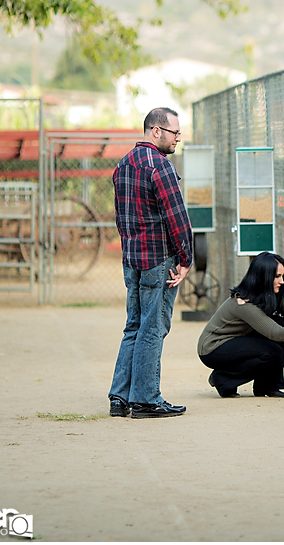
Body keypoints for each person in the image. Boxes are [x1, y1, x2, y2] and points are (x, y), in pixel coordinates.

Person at [108, 107, 193, 419]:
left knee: (134, 325)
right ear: (156, 131)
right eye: (174, 133)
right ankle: (145, 399)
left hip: (131, 260)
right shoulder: (161, 167)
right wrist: (186, 259)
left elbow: (121, 217)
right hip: (158, 260)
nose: (178, 138)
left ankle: (120, 397)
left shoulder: (123, 165)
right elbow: (178, 218)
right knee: (152, 328)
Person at [198, 251, 284, 398]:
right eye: (277, 276)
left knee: (279, 323)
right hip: (213, 347)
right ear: (263, 277)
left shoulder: (275, 294)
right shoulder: (243, 302)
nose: (282, 281)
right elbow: (275, 333)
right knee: (271, 350)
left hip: (237, 340)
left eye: (282, 276)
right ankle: (223, 379)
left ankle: (267, 387)